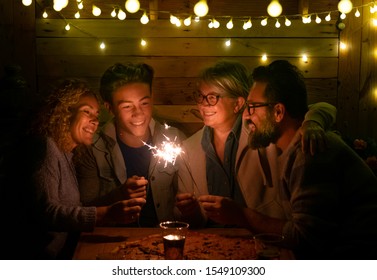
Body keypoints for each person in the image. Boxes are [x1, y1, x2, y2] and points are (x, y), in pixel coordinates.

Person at [208, 60, 377, 259]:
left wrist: (241, 215)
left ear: (278, 112)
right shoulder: (294, 145)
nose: (245, 116)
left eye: (252, 107)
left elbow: (306, 239)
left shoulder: (311, 151)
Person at [175, 60, 337, 228]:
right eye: (200, 96)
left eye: (212, 97)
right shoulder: (189, 148)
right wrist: (190, 211)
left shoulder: (262, 132)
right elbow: (195, 222)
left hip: (266, 237)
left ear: (238, 104)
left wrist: (313, 122)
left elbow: (321, 108)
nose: (203, 104)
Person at [8, 79, 146, 259]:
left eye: (96, 115)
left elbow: (74, 210)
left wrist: (119, 194)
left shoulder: (67, 153)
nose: (95, 121)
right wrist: (106, 214)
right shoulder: (44, 146)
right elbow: (47, 212)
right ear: (65, 113)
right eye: (86, 112)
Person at [75, 63, 186, 227]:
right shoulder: (92, 148)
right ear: (110, 108)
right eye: (127, 106)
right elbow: (84, 208)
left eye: (144, 103)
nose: (138, 113)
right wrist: (118, 195)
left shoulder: (174, 139)